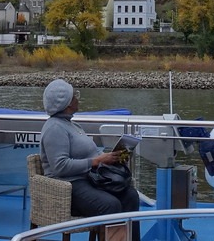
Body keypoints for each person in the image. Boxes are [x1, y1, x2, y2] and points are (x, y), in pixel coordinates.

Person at [40, 79, 140, 239]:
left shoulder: (71, 125)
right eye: (75, 96)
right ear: (66, 103)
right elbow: (60, 166)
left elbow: (89, 154)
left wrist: (112, 157)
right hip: (69, 185)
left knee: (130, 195)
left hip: (88, 179)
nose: (78, 99)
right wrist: (97, 161)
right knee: (110, 205)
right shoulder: (55, 128)